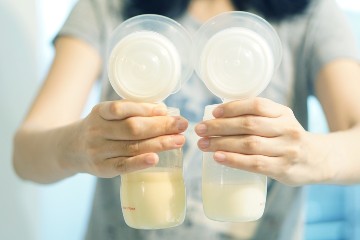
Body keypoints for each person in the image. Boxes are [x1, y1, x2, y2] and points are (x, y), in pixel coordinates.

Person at [13, 0, 360, 239]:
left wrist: (309, 153)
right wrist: (78, 145)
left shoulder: (310, 14)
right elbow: (25, 155)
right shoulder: (108, 8)